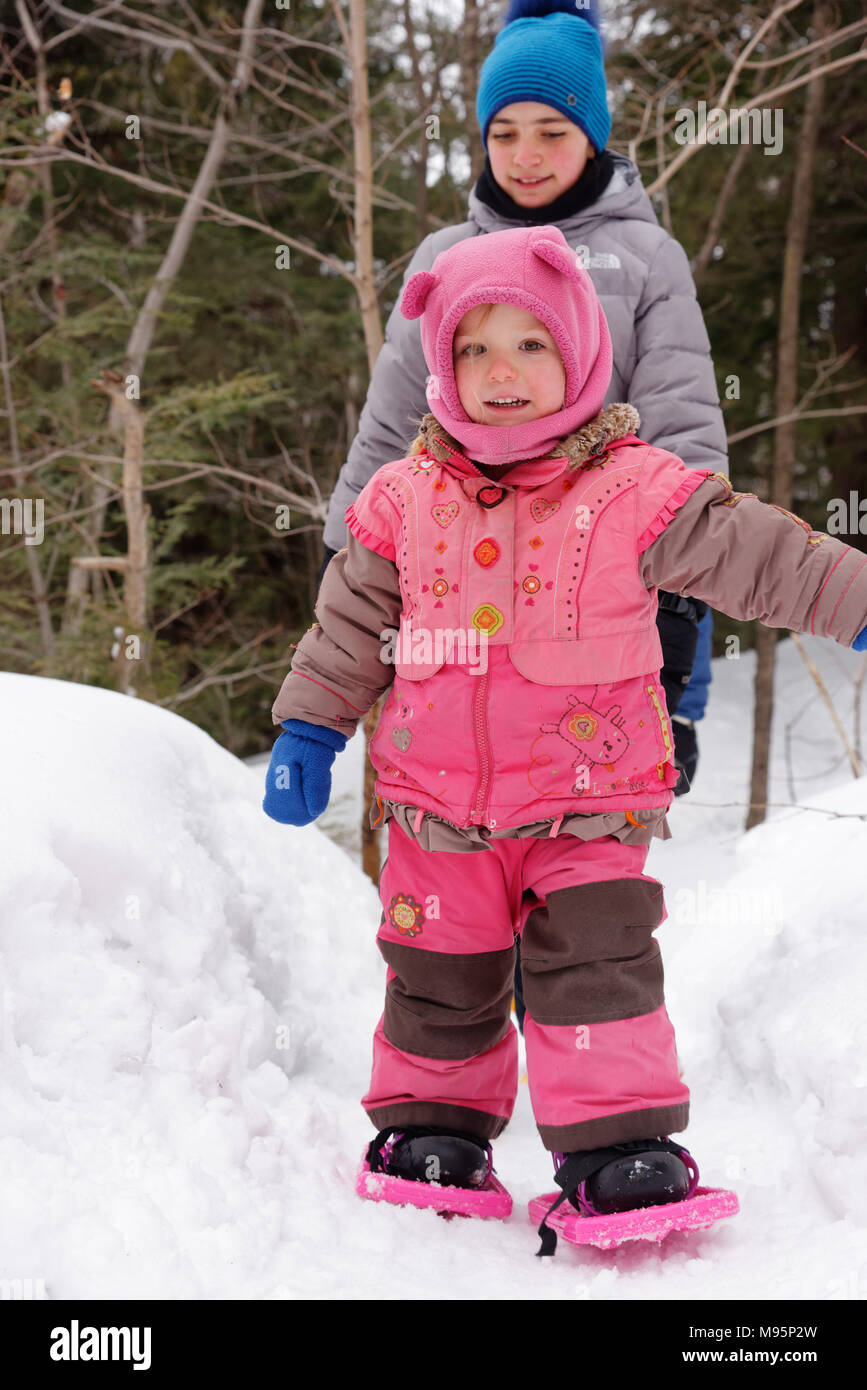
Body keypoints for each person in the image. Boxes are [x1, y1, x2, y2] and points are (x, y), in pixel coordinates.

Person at [263, 224, 867, 1228]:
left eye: (530, 345)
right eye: (475, 348)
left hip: (589, 805)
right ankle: (434, 1127)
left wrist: (857, 602)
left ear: (581, 351)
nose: (502, 372)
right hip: (433, 804)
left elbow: (763, 555)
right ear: (443, 367)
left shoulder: (634, 490)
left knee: (598, 964)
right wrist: (310, 731)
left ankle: (619, 1144)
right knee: (438, 971)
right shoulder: (401, 500)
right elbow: (350, 628)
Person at [319, 0, 724, 793]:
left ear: (592, 136)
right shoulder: (447, 255)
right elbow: (393, 419)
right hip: (460, 569)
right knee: (462, 795)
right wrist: (346, 557)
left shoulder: (645, 257)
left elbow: (682, 433)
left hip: (596, 575)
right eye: (504, 133)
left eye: (551, 132)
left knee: (585, 824)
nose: (525, 155)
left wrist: (679, 636)